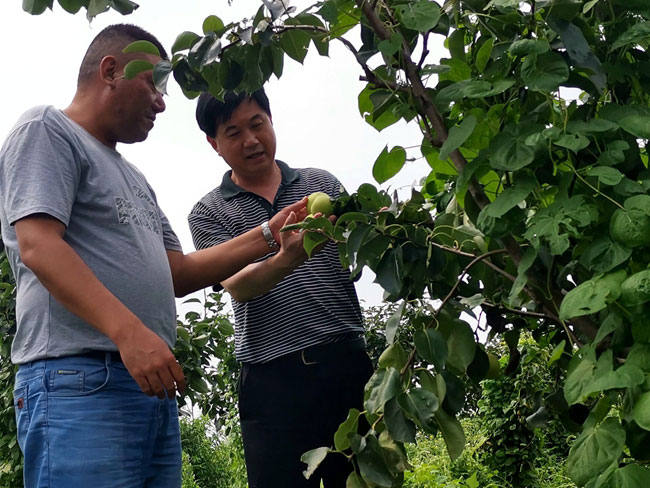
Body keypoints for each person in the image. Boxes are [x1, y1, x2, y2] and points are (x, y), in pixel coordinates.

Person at [0, 24, 305, 488]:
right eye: (154, 85)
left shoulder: (135, 178)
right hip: (80, 381)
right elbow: (39, 245)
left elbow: (176, 272)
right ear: (110, 71)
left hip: (146, 386)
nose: (162, 103)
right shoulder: (47, 129)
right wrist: (130, 334)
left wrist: (270, 233)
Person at [189, 88, 374, 487]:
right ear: (213, 143)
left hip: (346, 369)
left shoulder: (321, 184)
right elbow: (238, 286)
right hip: (272, 385)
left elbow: (361, 246)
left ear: (271, 121)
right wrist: (286, 258)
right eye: (234, 132)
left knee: (368, 480)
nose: (251, 140)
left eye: (257, 124)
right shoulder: (209, 212)